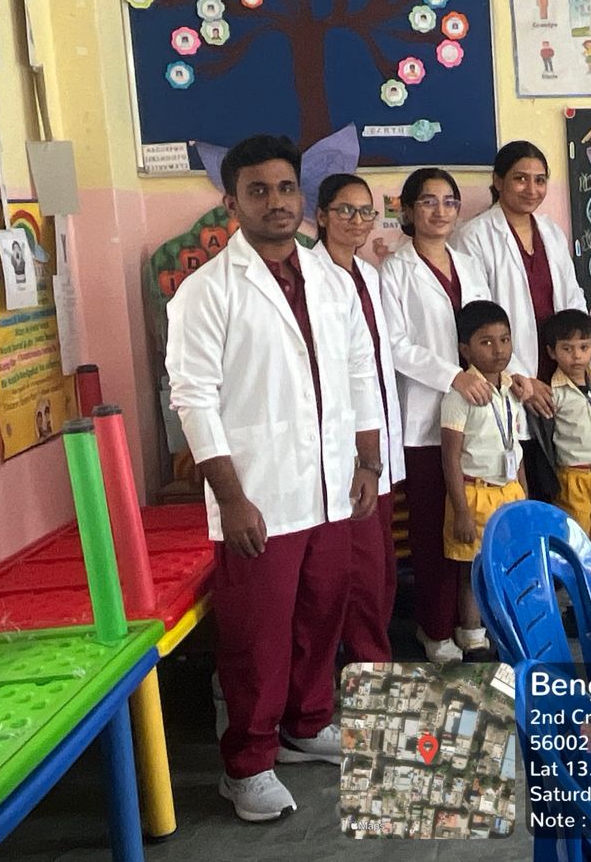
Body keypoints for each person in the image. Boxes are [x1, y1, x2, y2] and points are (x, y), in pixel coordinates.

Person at [167, 135, 382, 822]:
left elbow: (358, 373)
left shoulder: (329, 278)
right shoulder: (206, 290)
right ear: (232, 202)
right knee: (257, 635)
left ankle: (305, 723)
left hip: (329, 486)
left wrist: (368, 461)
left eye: (286, 188)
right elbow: (193, 397)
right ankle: (248, 763)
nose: (276, 202)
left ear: (302, 194)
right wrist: (230, 499)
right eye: (258, 191)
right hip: (258, 494)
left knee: (324, 611)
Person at [381, 168, 538, 663]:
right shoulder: (394, 270)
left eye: (449, 201)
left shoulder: (469, 263)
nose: (440, 211)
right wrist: (453, 376)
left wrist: (513, 377)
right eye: (428, 202)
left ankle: (473, 623)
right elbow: (395, 344)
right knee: (435, 530)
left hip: (484, 412)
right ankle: (434, 628)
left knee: (479, 531)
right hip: (429, 418)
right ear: (407, 211)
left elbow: (491, 328)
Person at [312, 173, 403, 663]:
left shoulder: (368, 274)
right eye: (344, 210)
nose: (356, 221)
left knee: (381, 565)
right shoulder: (309, 276)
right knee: (356, 571)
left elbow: (374, 367)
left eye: (365, 211)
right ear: (321, 215)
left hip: (378, 439)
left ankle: (371, 657)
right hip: (341, 449)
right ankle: (367, 664)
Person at [456, 141, 591, 383]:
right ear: (498, 181)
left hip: (562, 365)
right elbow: (480, 315)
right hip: (509, 369)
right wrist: (518, 374)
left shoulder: (552, 232)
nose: (531, 189)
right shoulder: (474, 236)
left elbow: (573, 298)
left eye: (540, 180)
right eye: (520, 179)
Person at [440, 300, 529, 662]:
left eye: (505, 340)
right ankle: (474, 638)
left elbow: (516, 448)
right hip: (474, 495)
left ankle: (505, 631)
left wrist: (524, 498)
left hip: (509, 491)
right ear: (465, 350)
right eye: (486, 342)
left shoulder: (512, 390)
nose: (499, 350)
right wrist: (461, 511)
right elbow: (449, 456)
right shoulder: (459, 396)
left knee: (507, 566)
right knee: (472, 571)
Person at [539, 309, 591, 593]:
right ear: (552, 352)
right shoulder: (553, 392)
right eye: (567, 349)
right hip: (574, 477)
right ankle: (576, 605)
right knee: (575, 543)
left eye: (584, 348)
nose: (576, 356)